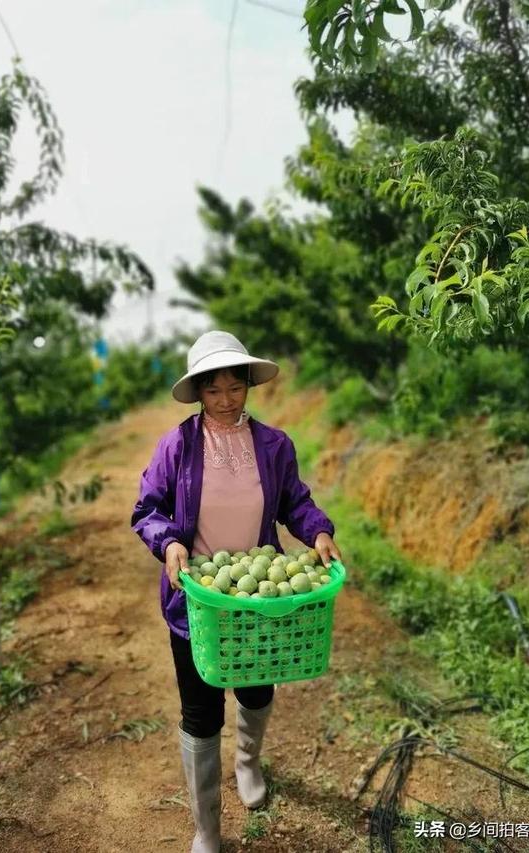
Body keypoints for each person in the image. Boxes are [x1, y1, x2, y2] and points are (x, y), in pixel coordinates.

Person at [131, 330, 342, 853]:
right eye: (213, 391)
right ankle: (206, 828)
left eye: (234, 388)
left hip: (257, 598)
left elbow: (295, 502)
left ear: (248, 386)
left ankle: (248, 764)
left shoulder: (273, 445)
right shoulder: (177, 445)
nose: (225, 401)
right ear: (199, 392)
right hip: (198, 599)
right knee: (200, 708)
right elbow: (148, 510)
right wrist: (169, 545)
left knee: (255, 688)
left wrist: (317, 530)